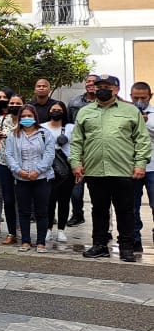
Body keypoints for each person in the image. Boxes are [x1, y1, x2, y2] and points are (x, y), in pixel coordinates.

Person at [70, 75, 151, 262]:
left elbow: (142, 139)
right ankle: (99, 245)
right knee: (98, 210)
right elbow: (76, 141)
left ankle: (126, 247)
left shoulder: (130, 111)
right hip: (95, 170)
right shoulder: (85, 112)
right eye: (99, 86)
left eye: (107, 86)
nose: (102, 89)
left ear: (116, 90)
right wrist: (76, 163)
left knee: (125, 211)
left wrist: (140, 164)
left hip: (123, 169)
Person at [4, 103, 57, 253]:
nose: (27, 118)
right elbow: (9, 155)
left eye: (30, 116)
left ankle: (41, 242)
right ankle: (25, 241)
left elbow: (49, 155)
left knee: (42, 211)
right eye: (24, 116)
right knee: (23, 211)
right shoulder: (13, 135)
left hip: (42, 178)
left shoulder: (44, 134)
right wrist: (18, 171)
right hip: (21, 178)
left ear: (35, 117)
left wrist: (38, 171)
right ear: (19, 118)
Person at [67, 73, 100, 226]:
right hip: (79, 151)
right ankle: (77, 214)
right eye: (88, 81)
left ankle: (101, 220)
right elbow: (68, 126)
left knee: (99, 192)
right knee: (76, 189)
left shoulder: (105, 103)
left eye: (94, 82)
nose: (91, 84)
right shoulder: (74, 103)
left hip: (97, 152)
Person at [42, 103, 75, 249]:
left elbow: (76, 146)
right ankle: (48, 228)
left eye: (59, 110)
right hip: (48, 167)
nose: (56, 112)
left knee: (64, 200)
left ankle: (61, 230)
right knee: (49, 199)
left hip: (66, 168)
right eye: (53, 110)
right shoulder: (41, 127)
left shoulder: (70, 128)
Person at [0, 94, 23, 247]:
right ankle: (11, 232)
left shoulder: (27, 121)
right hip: (3, 162)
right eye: (12, 103)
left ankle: (22, 230)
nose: (15, 105)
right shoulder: (0, 120)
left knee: (23, 198)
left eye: (18, 103)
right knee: (8, 198)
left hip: (23, 164)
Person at [131, 82, 154, 252]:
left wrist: (144, 124)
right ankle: (134, 239)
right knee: (132, 206)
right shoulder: (125, 114)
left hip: (153, 167)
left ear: (150, 97)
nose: (139, 101)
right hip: (131, 167)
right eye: (135, 97)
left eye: (143, 98)